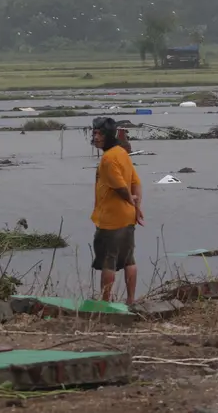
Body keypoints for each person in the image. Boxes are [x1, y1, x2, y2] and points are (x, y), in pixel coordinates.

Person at [90, 117, 144, 305]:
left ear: (110, 136)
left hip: (111, 219)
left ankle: (105, 302)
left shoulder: (108, 158)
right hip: (127, 217)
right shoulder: (122, 152)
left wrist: (131, 200)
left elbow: (122, 188)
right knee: (129, 259)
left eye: (100, 134)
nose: (96, 138)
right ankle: (130, 300)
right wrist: (136, 208)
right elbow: (136, 182)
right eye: (94, 133)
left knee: (108, 260)